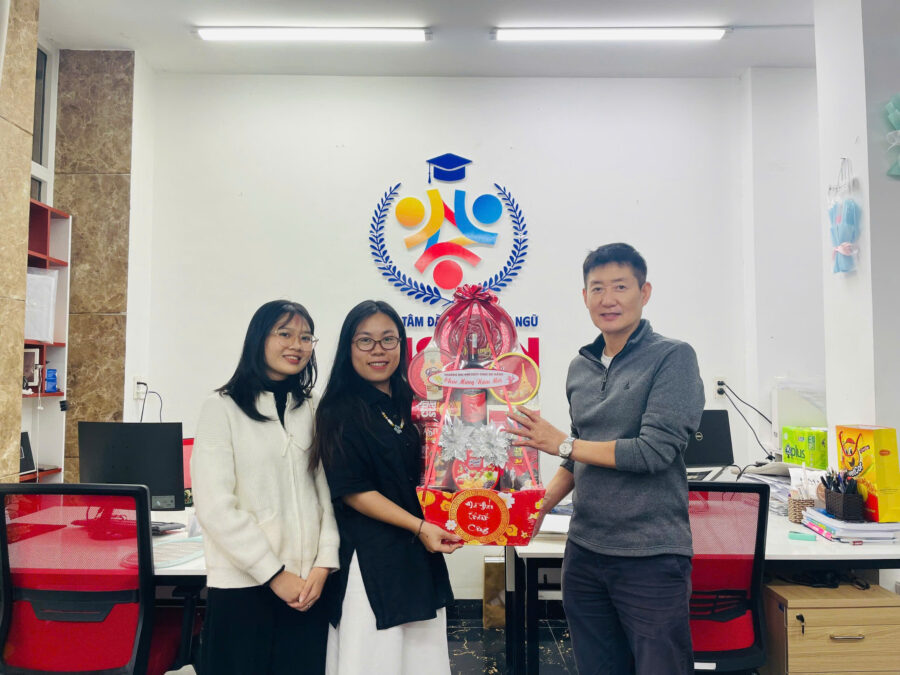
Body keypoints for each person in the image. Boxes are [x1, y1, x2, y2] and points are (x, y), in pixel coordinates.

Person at [508, 243, 704, 675]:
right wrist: (539, 506)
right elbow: (580, 452)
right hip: (584, 551)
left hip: (651, 555)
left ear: (644, 292)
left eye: (620, 286)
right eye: (597, 288)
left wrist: (563, 444)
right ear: (584, 297)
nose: (608, 299)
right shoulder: (580, 367)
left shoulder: (673, 357)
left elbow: (652, 451)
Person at [312, 300, 463, 675]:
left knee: (422, 660)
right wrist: (420, 526)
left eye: (388, 339)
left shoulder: (417, 402)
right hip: (371, 560)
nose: (378, 350)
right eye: (365, 341)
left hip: (419, 555)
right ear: (349, 348)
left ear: (402, 344)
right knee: (373, 660)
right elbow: (354, 492)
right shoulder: (337, 409)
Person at [191, 300, 339, 675]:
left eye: (306, 337)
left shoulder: (312, 407)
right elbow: (215, 506)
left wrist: (324, 564)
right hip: (243, 588)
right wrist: (273, 574)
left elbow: (326, 495)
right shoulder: (221, 408)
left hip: (307, 588)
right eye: (285, 333)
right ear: (259, 338)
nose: (297, 345)